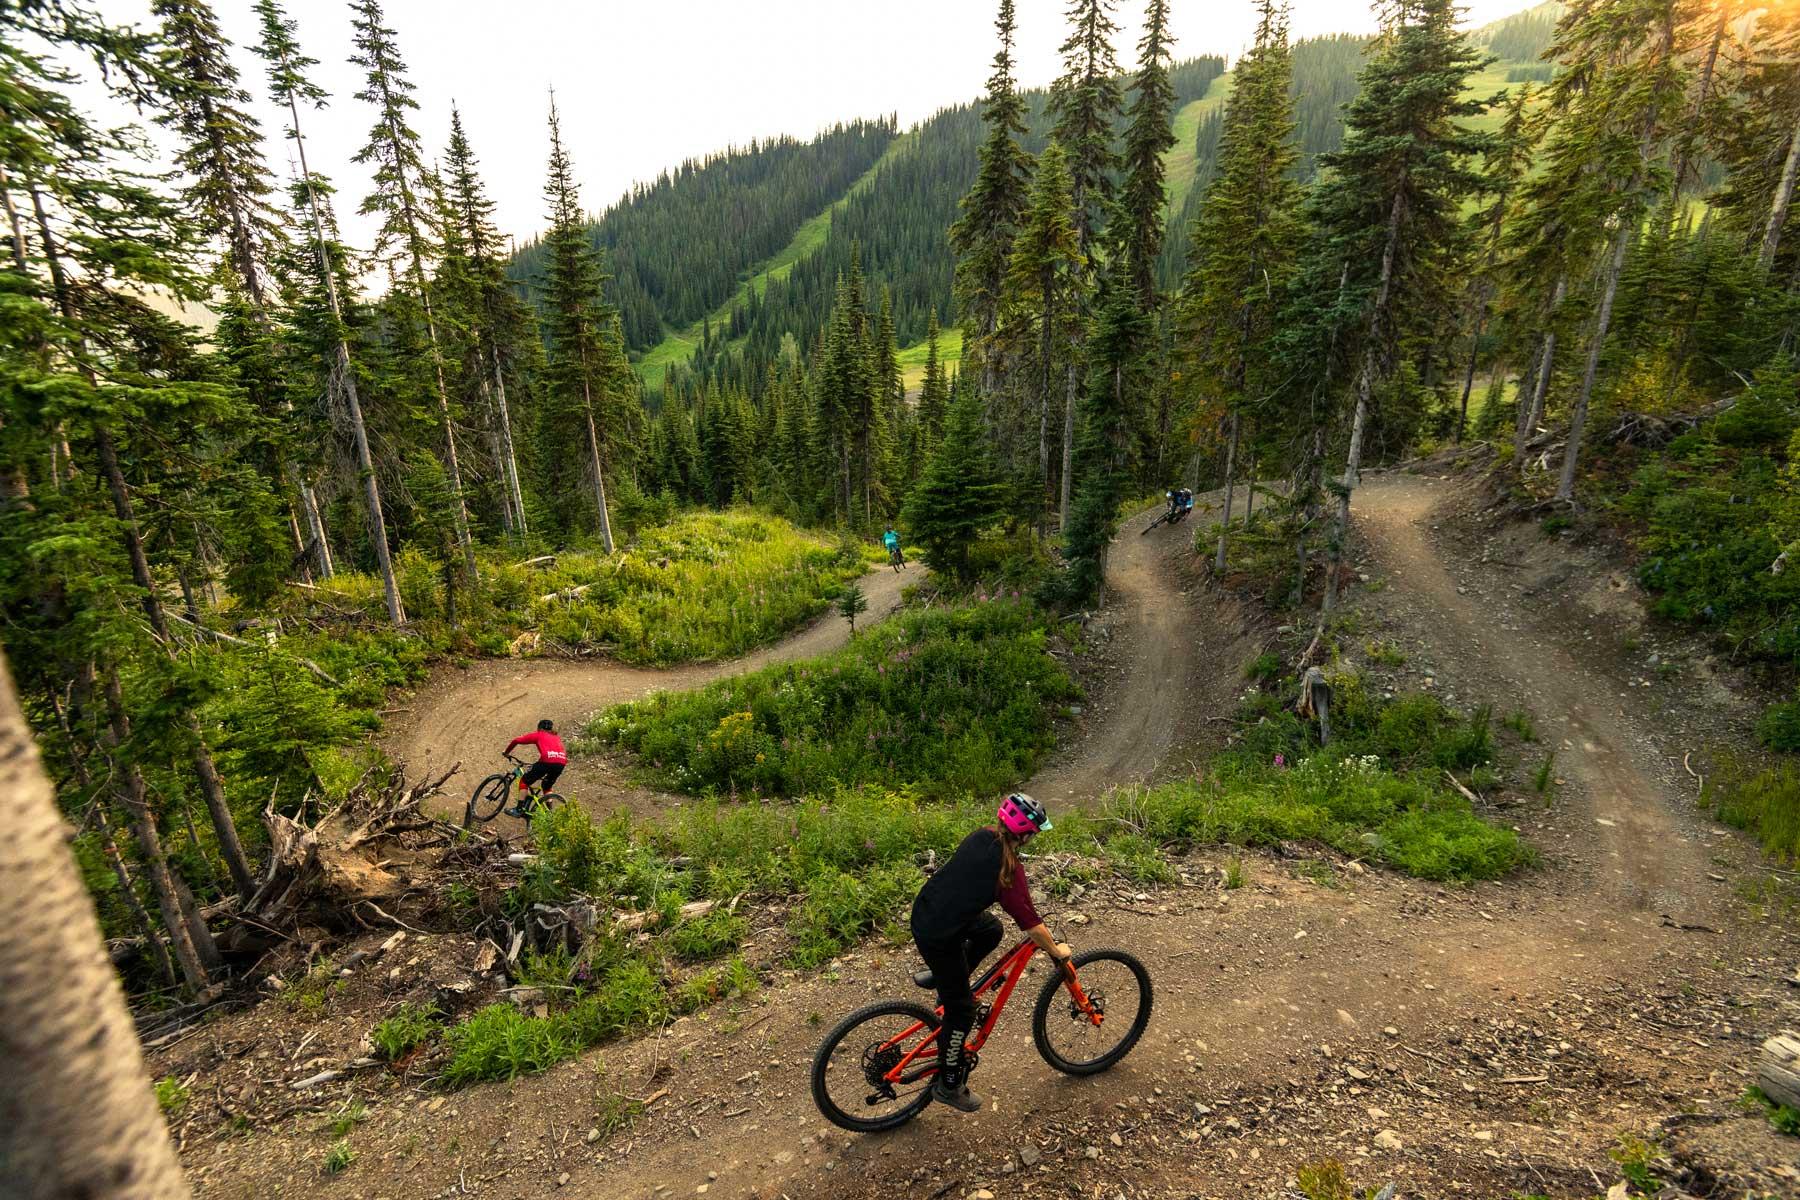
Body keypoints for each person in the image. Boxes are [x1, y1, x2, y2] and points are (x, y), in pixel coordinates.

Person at [909, 793, 1070, 1114]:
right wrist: (1056, 949)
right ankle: (949, 1084)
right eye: (1034, 832)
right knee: (962, 1012)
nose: (1034, 837)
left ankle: (944, 976)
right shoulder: (1008, 873)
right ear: (1024, 834)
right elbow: (1032, 926)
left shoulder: (982, 836)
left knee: (991, 930)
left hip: (927, 910)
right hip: (940, 935)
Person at [501, 719, 567, 817]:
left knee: (524, 781)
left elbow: (516, 741)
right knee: (547, 786)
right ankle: (550, 813)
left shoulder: (539, 734)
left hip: (546, 761)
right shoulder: (556, 737)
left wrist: (506, 753)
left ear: (539, 728)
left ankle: (518, 810)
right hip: (561, 763)